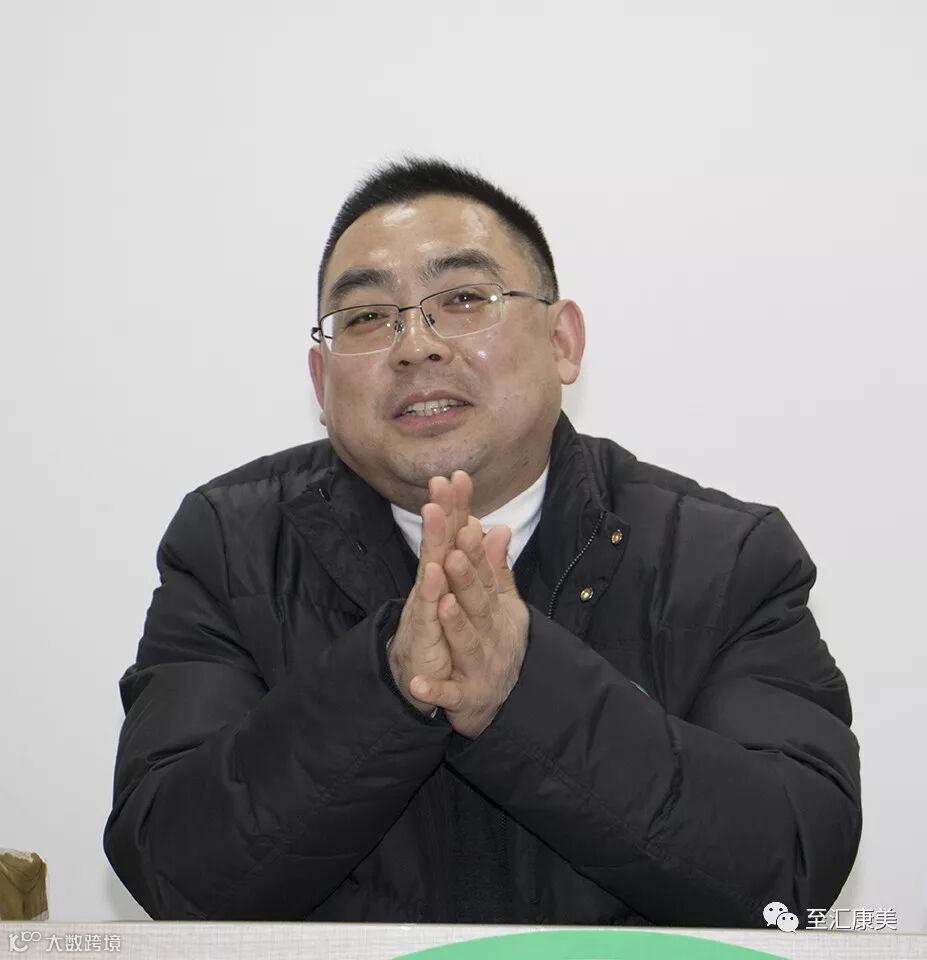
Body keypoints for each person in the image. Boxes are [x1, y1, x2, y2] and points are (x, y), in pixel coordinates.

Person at [104, 158, 861, 925]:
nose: (415, 345)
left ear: (562, 341)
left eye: (463, 299)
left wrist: (523, 691)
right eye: (365, 318)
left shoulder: (723, 557)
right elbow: (175, 873)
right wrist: (386, 681)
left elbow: (786, 877)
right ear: (320, 381)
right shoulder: (231, 544)